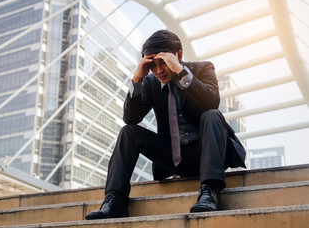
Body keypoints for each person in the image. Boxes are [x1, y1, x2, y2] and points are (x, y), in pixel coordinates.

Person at [85, 30, 246, 220]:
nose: (159, 70)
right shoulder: (150, 82)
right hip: (174, 160)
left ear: (179, 55)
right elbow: (131, 118)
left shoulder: (202, 69)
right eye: (153, 64)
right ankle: (115, 200)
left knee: (212, 114)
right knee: (128, 132)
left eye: (163, 62)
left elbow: (211, 102)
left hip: (208, 155)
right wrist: (137, 80)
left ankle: (209, 192)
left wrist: (180, 72)